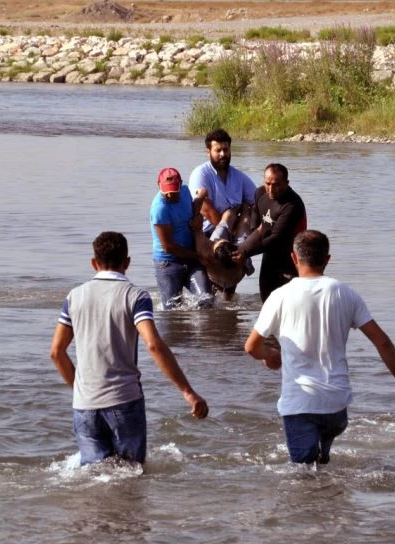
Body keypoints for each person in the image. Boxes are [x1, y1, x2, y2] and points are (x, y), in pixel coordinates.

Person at [244, 230, 395, 465]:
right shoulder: (345, 293)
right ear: (327, 259)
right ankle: (328, 478)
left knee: (303, 476)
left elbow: (251, 346)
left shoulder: (280, 296)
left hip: (300, 404)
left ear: (294, 258)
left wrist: (270, 354)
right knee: (320, 461)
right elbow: (381, 341)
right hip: (336, 405)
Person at [50, 231, 210, 466]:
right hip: (123, 401)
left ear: (94, 263)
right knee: (131, 475)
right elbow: (153, 344)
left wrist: (79, 388)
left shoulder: (74, 296)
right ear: (127, 263)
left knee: (96, 478)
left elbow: (56, 352)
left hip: (85, 405)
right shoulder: (135, 296)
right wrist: (187, 391)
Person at [189, 128, 257, 298]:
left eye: (225, 149)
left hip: (233, 234)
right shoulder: (201, 174)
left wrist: (250, 225)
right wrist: (229, 221)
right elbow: (205, 209)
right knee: (210, 290)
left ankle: (226, 311)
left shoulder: (238, 177)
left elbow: (257, 201)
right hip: (207, 234)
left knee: (229, 288)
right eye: (217, 150)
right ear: (208, 152)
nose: (222, 154)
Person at [235, 163, 308, 302]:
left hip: (291, 260)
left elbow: (277, 238)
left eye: (276, 184)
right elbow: (256, 228)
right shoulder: (260, 193)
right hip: (269, 257)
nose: (271, 189)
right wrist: (240, 250)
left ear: (287, 183)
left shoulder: (292, 204)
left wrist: (246, 253)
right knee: (267, 303)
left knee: (289, 305)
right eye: (268, 183)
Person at [150, 167, 214, 309]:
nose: (169, 196)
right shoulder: (159, 209)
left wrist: (199, 207)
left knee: (207, 301)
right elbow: (169, 247)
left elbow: (191, 213)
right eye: (166, 192)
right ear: (158, 185)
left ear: (180, 185)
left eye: (173, 191)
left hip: (191, 259)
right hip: (168, 263)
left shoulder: (185, 191)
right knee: (172, 310)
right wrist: (198, 256)